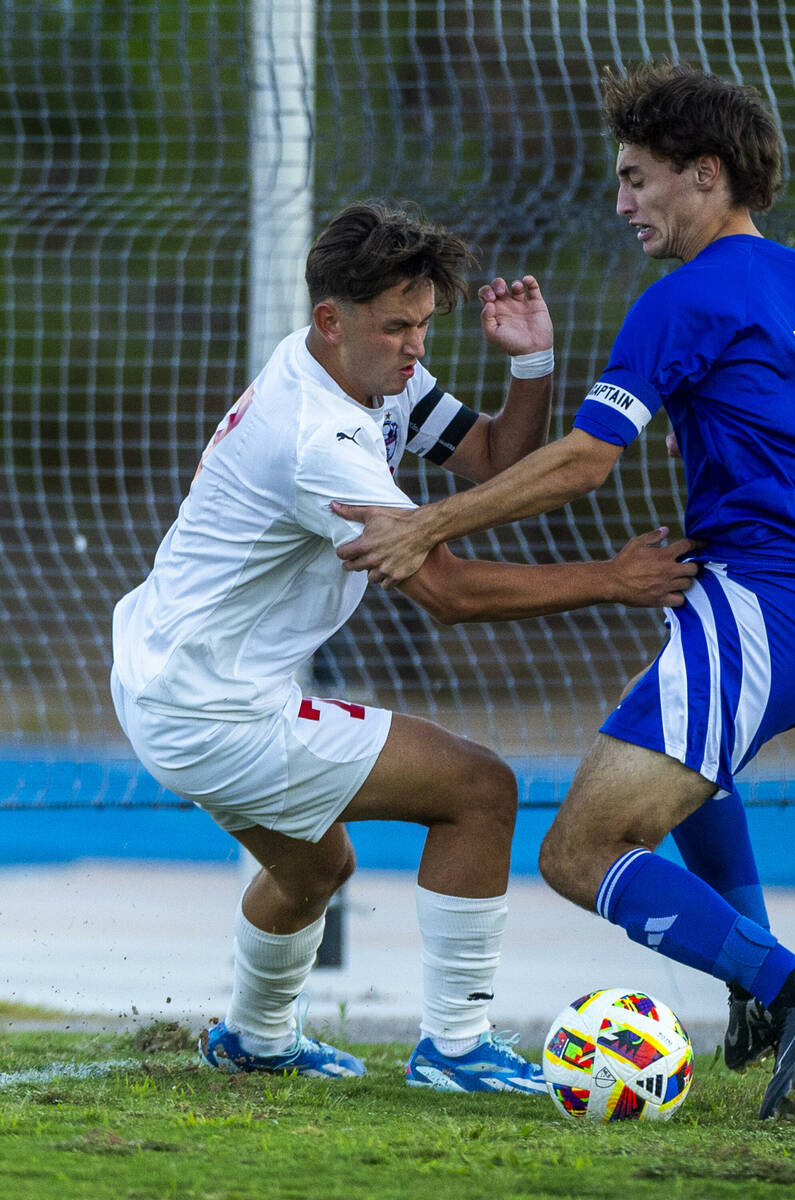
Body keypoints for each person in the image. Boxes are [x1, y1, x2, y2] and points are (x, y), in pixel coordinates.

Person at [333, 67, 795, 1120]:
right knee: (698, 775)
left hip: (765, 602)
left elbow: (584, 460)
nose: (621, 205)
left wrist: (425, 522)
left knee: (579, 851)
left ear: (704, 175)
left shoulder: (685, 299)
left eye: (635, 179)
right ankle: (758, 995)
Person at [110, 200, 697, 1094]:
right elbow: (448, 592)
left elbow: (496, 458)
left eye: (425, 325)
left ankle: (255, 1040)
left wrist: (532, 362)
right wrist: (613, 579)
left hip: (168, 678)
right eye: (397, 328)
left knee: (317, 867)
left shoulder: (366, 378)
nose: (417, 347)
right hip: (214, 706)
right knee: (479, 788)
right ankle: (456, 1048)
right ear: (331, 321)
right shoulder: (321, 437)